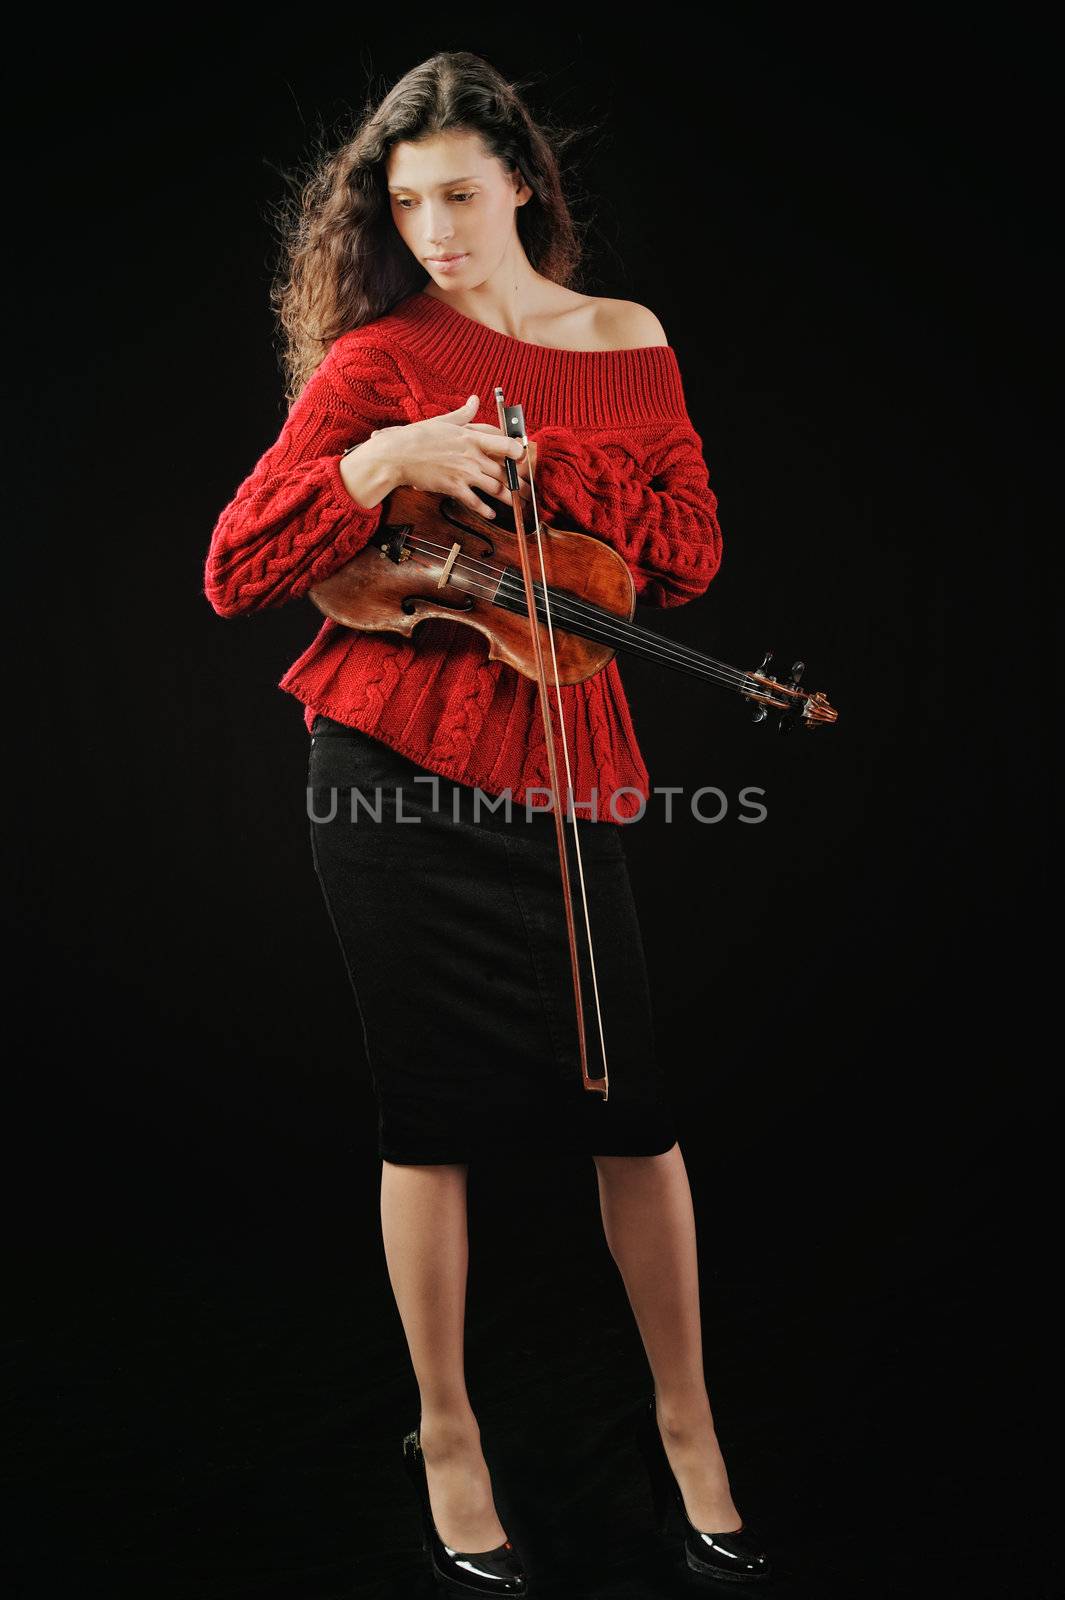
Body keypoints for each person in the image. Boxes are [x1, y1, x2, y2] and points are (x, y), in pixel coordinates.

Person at [203, 49, 771, 1595]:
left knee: (630, 1114)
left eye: (460, 193)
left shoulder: (623, 341)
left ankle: (687, 1425)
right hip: (384, 772)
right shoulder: (381, 356)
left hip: (566, 751)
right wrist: (383, 459)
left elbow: (690, 553)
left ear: (523, 181)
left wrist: (539, 463)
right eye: (406, 203)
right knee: (430, 1119)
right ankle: (448, 1434)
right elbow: (241, 566)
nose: (437, 229)